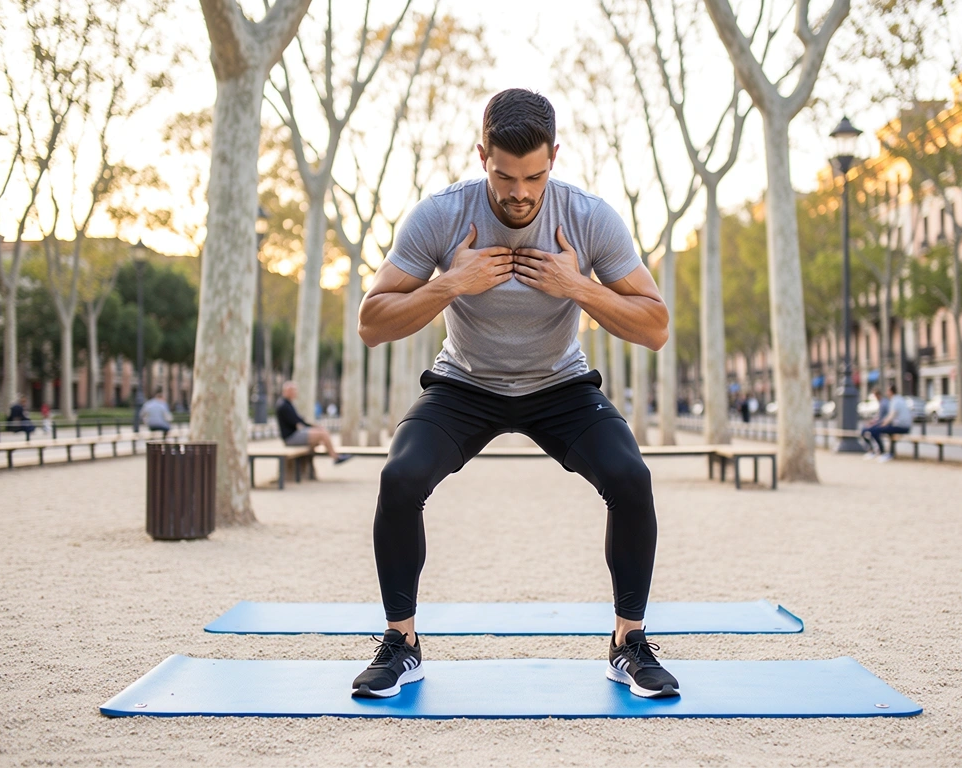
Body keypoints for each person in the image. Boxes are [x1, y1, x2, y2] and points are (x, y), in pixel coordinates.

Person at [350, 89, 678, 700]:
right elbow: (372, 322)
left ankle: (627, 642)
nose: (520, 192)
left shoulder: (588, 217)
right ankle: (403, 643)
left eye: (534, 176)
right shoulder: (441, 215)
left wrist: (579, 287)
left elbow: (655, 327)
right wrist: (451, 283)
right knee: (399, 479)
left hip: (560, 385)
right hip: (465, 383)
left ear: (555, 156)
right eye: (505, 176)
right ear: (482, 157)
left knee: (631, 477)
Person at [275, 381, 350, 464]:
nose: (296, 392)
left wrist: (314, 427)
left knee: (321, 435)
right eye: (294, 390)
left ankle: (334, 455)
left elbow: (298, 420)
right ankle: (335, 457)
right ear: (288, 391)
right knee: (322, 434)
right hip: (290, 437)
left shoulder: (287, 403)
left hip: (293, 434)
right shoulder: (283, 405)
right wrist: (314, 427)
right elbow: (298, 421)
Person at [861, 385, 913, 461]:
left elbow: (891, 416)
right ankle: (887, 452)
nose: (886, 393)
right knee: (883, 430)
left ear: (891, 392)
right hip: (904, 426)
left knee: (876, 430)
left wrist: (882, 425)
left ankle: (883, 452)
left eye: (887, 391)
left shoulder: (895, 401)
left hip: (901, 426)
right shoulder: (899, 399)